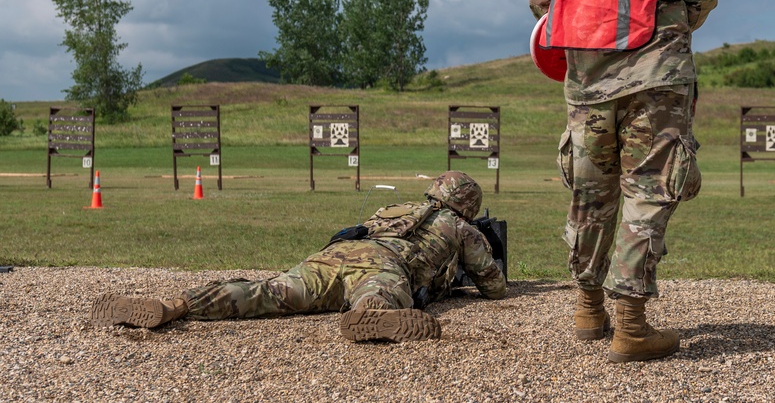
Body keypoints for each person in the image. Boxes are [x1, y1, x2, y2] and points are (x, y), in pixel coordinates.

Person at [525, 0, 720, 363]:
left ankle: (589, 309)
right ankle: (630, 324)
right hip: (657, 72)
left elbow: (542, 0)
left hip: (586, 78)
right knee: (650, 189)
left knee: (590, 191)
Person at [91, 172, 506, 342]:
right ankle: (372, 315)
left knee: (267, 291)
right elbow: (493, 285)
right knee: (378, 291)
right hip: (382, 263)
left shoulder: (393, 209)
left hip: (331, 256)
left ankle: (176, 305)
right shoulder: (460, 228)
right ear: (468, 205)